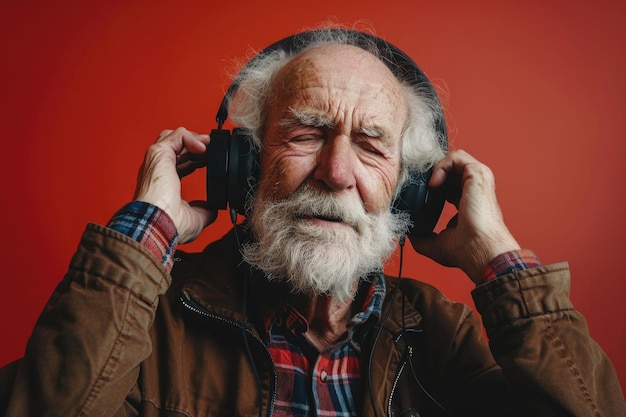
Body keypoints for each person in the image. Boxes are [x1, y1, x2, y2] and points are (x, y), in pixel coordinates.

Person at [0, 27, 624, 417]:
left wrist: (497, 258)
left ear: (409, 191)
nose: (336, 171)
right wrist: (147, 226)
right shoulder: (149, 316)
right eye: (306, 133)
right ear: (243, 164)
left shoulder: (444, 335)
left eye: (373, 146)